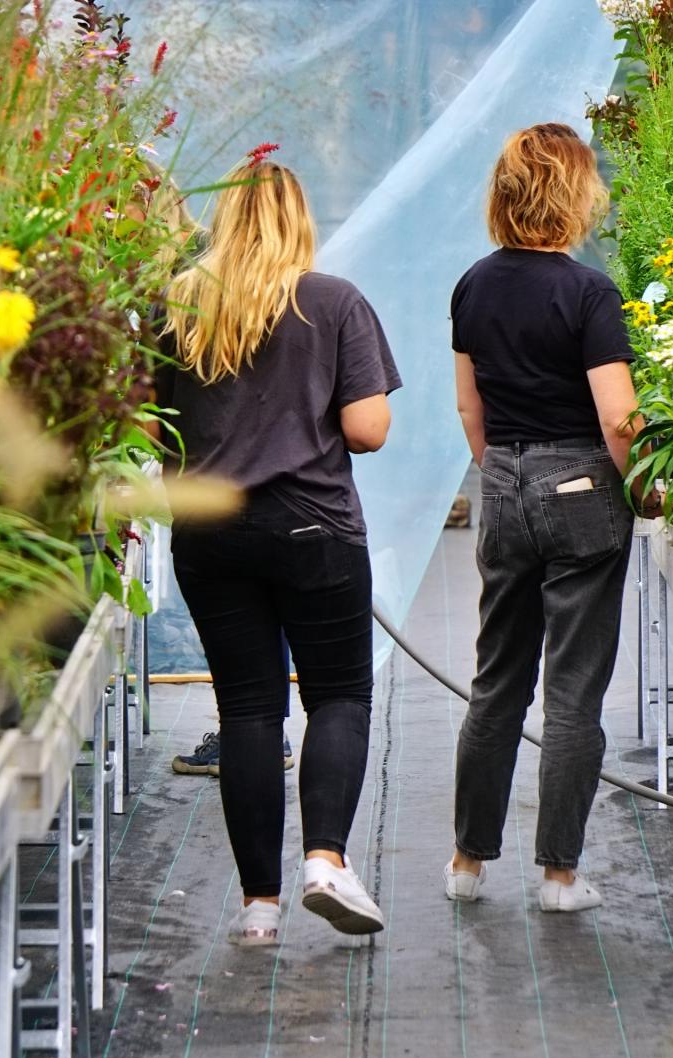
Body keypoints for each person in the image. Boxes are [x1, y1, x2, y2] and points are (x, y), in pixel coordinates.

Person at [155, 159, 401, 945]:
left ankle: (257, 906)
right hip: (313, 528)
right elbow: (366, 428)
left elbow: (151, 426)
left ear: (222, 220)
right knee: (338, 697)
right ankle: (324, 861)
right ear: (300, 221)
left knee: (249, 709)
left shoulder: (177, 307)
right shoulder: (332, 303)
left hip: (209, 534)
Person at [443, 123, 640, 913]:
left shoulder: (472, 285)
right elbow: (619, 420)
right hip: (582, 487)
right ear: (575, 195)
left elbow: (470, 406)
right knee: (573, 692)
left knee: (497, 681)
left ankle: (466, 862)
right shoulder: (589, 293)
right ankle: (559, 875)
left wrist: (503, 470)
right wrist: (644, 494)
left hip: (505, 479)